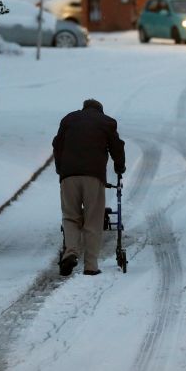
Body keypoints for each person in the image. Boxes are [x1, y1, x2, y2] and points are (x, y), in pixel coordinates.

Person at [52, 98, 126, 276]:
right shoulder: (107, 122)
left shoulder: (68, 119)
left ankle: (70, 253)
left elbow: (57, 144)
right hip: (94, 176)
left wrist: (60, 168)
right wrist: (119, 167)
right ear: (100, 110)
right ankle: (91, 266)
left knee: (70, 217)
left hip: (69, 176)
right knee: (93, 219)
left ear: (83, 108)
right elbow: (117, 147)